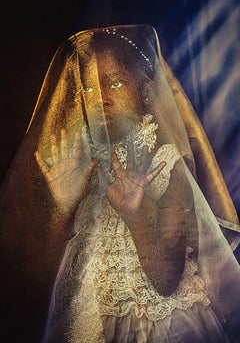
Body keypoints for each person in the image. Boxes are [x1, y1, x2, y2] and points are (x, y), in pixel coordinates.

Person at [0, 25, 239, 342]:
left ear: (145, 91)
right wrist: (62, 207)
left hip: (161, 324)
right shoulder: (77, 164)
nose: (102, 100)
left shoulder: (166, 164)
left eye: (114, 82)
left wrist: (135, 215)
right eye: (89, 90)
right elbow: (42, 275)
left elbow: (166, 279)